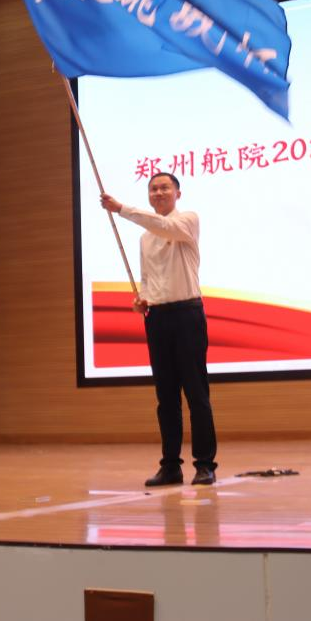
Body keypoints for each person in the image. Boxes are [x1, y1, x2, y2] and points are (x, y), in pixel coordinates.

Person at [101, 172, 218, 487]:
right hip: (157, 317)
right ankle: (171, 466)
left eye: (165, 187)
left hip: (187, 314)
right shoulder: (145, 238)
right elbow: (148, 277)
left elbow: (164, 226)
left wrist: (121, 209)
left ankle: (205, 465)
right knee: (166, 397)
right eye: (153, 189)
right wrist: (143, 298)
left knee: (196, 393)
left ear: (178, 193)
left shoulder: (187, 220)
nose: (158, 192)